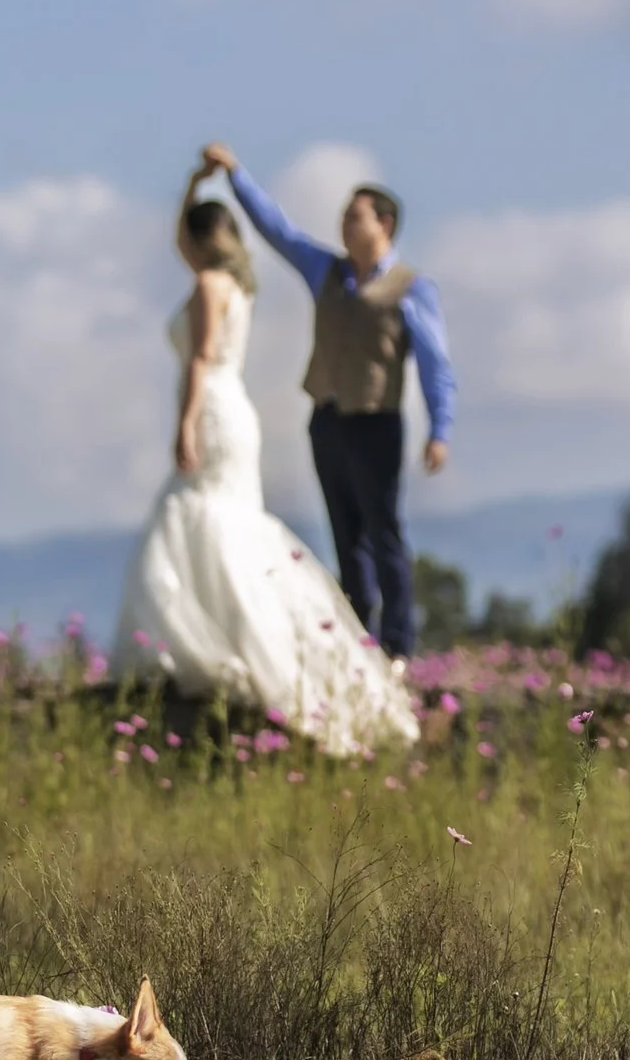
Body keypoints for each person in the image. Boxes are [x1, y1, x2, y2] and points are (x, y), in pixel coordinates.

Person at [108, 161, 419, 756]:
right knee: (222, 523)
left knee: (201, 517)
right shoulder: (238, 284)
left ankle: (222, 643)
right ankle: (230, 639)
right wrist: (195, 185)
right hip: (234, 411)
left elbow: (201, 359)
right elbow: (186, 243)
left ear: (200, 240)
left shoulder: (209, 286)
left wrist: (184, 423)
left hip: (213, 408)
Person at [198, 142, 454, 660]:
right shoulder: (327, 272)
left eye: (355, 216)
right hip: (328, 419)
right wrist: (236, 176)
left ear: (384, 224)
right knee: (345, 536)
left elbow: (435, 363)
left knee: (384, 533)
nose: (344, 225)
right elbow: (279, 231)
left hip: (377, 422)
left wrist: (439, 429)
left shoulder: (410, 289)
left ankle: (398, 645)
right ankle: (359, 640)